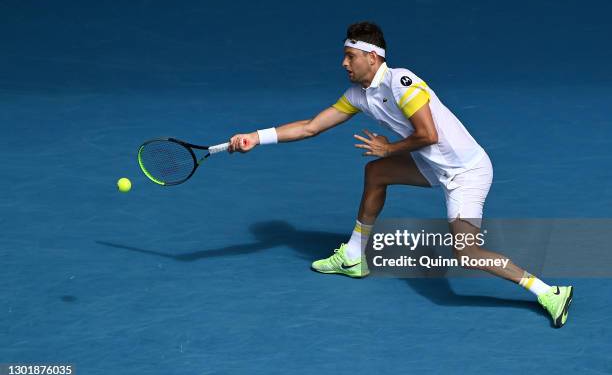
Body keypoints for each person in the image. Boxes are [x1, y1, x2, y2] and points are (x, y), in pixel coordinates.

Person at [228, 21, 573, 328]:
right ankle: (353, 256)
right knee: (376, 173)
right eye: (344, 56)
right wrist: (256, 138)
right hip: (432, 163)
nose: (343, 63)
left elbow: (429, 134)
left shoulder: (401, 83)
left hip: (466, 171)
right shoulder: (358, 96)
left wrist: (389, 148)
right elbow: (309, 128)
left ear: (372, 57)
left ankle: (550, 291)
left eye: (350, 56)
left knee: (466, 253)